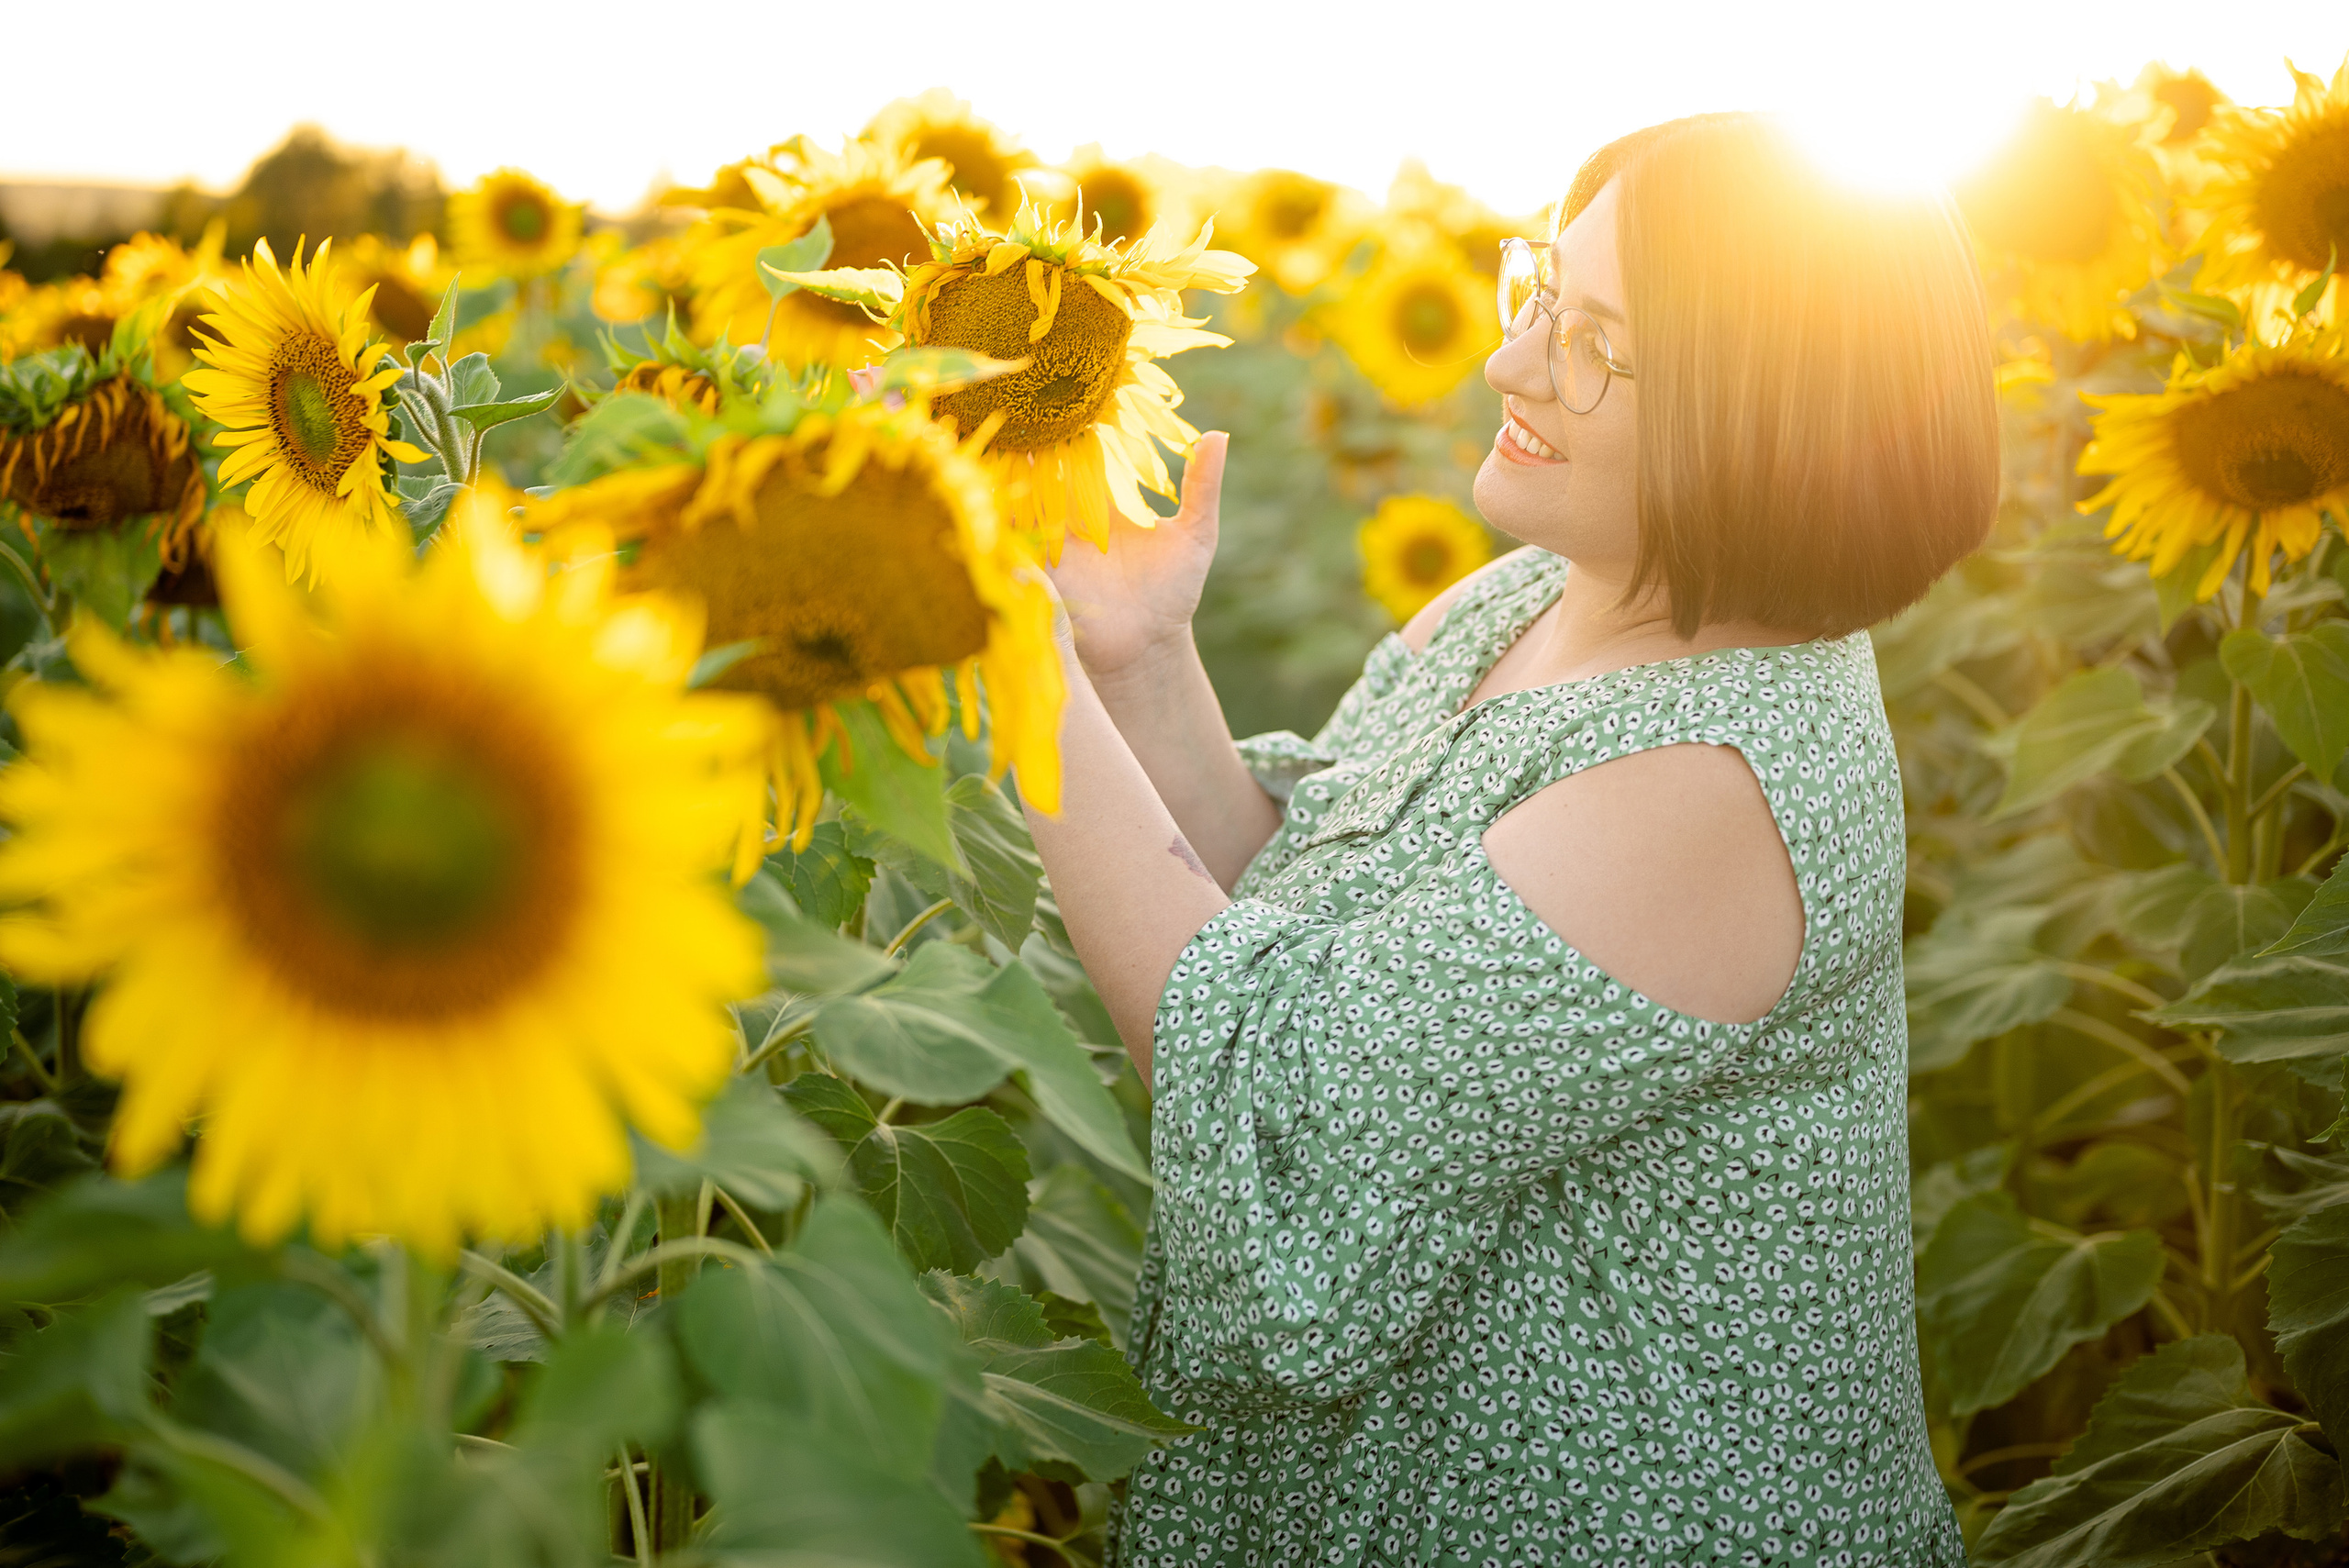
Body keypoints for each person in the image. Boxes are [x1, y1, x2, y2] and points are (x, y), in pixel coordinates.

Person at [1025, 111, 1997, 1567]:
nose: (1512, 362)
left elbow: (1282, 1103)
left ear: (1764, 416)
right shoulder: (1542, 595)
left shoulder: (1708, 784)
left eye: (1598, 342)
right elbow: (1297, 924)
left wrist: (999, 654)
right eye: (1544, 287)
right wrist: (1137, 661)